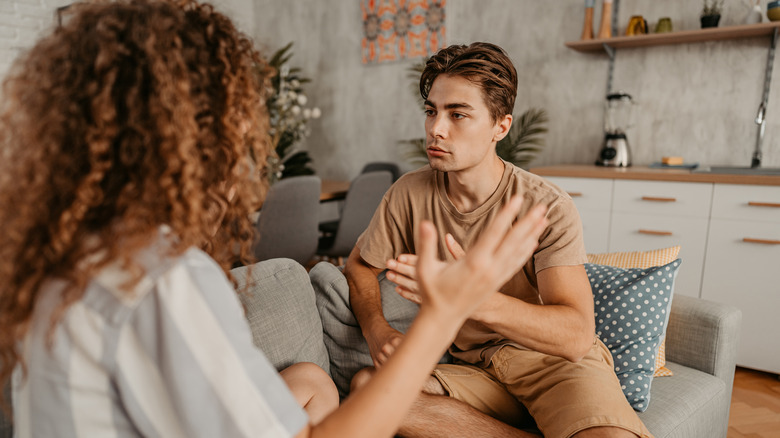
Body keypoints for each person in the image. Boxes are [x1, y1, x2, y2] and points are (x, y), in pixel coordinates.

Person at [0, 2, 548, 437]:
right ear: (195, 137)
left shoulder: (60, 257)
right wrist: (442, 315)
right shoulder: (167, 280)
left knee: (310, 378)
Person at [344, 42, 653, 438]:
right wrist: (377, 330)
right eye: (431, 111)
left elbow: (576, 336)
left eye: (458, 114)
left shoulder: (548, 206)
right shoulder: (409, 193)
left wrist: (471, 297)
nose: (436, 128)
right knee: (368, 390)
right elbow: (359, 266)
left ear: (500, 127)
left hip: (553, 366)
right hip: (475, 370)